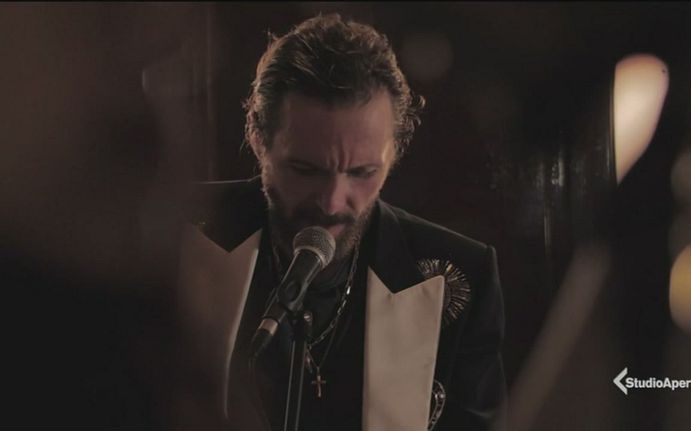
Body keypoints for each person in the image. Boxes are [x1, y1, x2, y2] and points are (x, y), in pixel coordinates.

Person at [177, 13, 505, 431]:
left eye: (362, 173)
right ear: (258, 138)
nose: (332, 203)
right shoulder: (173, 233)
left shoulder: (459, 276)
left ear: (395, 152)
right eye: (305, 169)